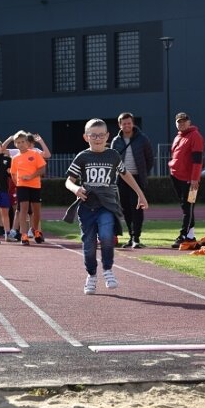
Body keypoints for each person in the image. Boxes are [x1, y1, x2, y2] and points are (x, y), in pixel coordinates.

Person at [65, 118, 148, 295]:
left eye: (101, 135)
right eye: (93, 135)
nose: (97, 138)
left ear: (107, 136)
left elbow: (126, 175)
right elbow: (68, 181)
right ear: (86, 137)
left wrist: (140, 195)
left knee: (106, 236)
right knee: (88, 244)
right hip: (87, 206)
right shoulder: (82, 157)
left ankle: (108, 269)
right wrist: (75, 188)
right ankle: (92, 275)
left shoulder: (113, 155)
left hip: (107, 205)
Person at [110, 112, 154, 248]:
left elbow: (150, 159)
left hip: (137, 178)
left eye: (129, 123)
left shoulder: (142, 139)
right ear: (120, 125)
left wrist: (143, 173)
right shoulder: (115, 141)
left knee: (137, 208)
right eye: (124, 123)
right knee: (125, 209)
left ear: (133, 123)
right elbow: (112, 160)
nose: (127, 125)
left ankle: (136, 238)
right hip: (121, 179)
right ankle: (130, 236)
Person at [168, 112, 205, 248]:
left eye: (184, 121)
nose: (181, 123)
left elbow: (197, 160)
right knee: (186, 206)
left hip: (189, 179)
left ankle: (184, 235)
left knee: (188, 207)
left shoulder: (195, 136)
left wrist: (195, 179)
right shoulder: (178, 137)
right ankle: (190, 236)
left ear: (189, 122)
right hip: (176, 176)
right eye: (179, 121)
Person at [9, 131, 47, 245]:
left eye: (22, 142)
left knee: (36, 211)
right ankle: (23, 235)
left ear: (27, 142)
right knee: (23, 210)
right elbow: (13, 174)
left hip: (35, 185)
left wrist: (31, 176)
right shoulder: (15, 158)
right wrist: (18, 182)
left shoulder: (35, 154)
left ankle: (36, 231)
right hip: (22, 187)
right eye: (18, 142)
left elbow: (42, 169)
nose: (20, 144)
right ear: (15, 144)